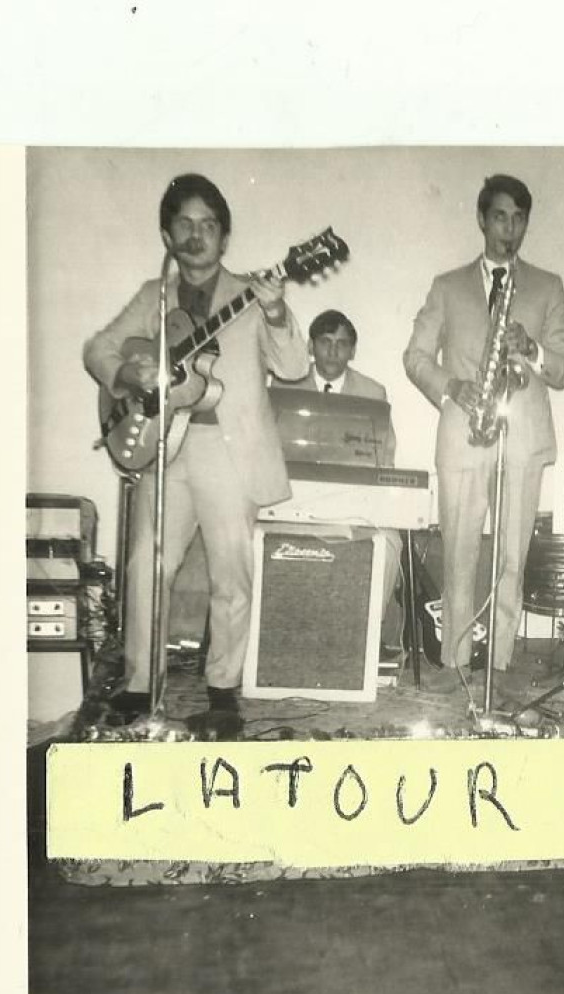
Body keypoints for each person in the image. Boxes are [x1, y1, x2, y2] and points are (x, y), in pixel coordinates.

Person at [84, 173, 308, 735]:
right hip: (166, 444)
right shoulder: (152, 296)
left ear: (225, 237)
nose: (197, 234)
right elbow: (98, 349)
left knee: (231, 572)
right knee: (145, 564)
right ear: (167, 234)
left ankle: (223, 690)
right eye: (185, 223)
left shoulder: (252, 295)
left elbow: (294, 366)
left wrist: (278, 314)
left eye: (209, 225)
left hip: (228, 449)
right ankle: (140, 684)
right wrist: (128, 373)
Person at [404, 174, 564, 694]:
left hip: (522, 435)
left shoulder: (548, 287)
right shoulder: (447, 286)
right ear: (482, 220)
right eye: (500, 216)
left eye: (519, 218)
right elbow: (414, 358)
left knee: (511, 557)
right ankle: (456, 662)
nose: (510, 227)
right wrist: (453, 386)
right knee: (458, 554)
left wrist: (533, 351)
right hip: (464, 431)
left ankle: (497, 664)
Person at [273, 308, 404, 655]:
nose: (333, 351)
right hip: (293, 502)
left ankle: (363, 640)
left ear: (352, 351)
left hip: (351, 503)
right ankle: (276, 640)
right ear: (311, 347)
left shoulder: (373, 392)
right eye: (326, 342)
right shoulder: (283, 386)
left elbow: (385, 455)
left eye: (342, 344)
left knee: (391, 542)